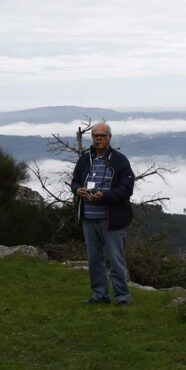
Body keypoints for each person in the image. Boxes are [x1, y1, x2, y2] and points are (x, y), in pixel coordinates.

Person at [70, 123, 136, 307]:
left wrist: (105, 196)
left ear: (109, 137)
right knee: (94, 261)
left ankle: (122, 298)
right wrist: (78, 190)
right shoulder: (84, 160)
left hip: (112, 220)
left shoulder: (120, 160)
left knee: (116, 261)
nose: (98, 139)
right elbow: (75, 181)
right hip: (89, 219)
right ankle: (100, 295)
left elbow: (127, 188)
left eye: (102, 136)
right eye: (95, 136)